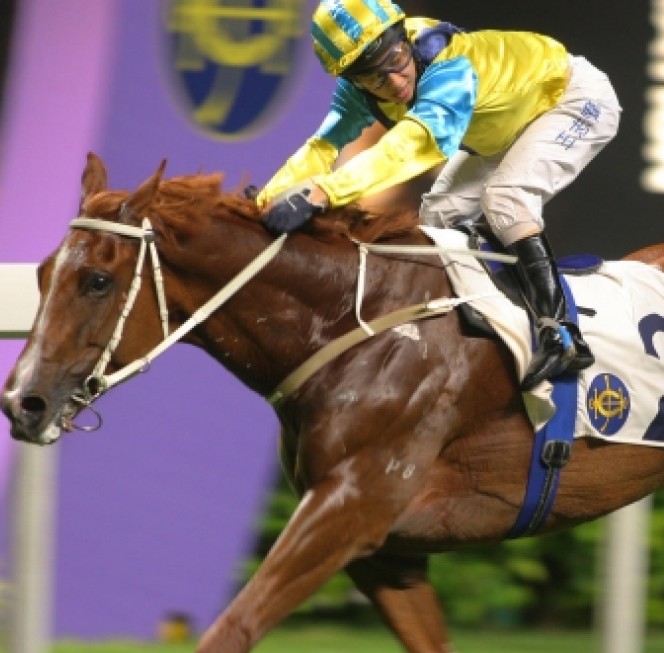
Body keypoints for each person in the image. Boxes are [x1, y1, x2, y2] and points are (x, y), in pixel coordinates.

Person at [257, 0, 621, 390]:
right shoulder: (359, 89)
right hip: (503, 129)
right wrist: (270, 198)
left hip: (573, 99)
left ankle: (561, 334)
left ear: (404, 37)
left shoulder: (447, 61)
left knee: (505, 199)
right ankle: (479, 325)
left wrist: (322, 193)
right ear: (351, 78)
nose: (395, 82)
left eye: (396, 57)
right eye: (373, 77)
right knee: (436, 220)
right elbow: (323, 145)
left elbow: (411, 146)